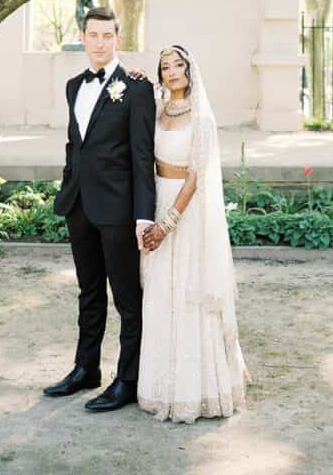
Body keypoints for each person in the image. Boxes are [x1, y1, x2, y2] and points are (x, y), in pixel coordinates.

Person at [43, 6, 156, 413]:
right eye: (93, 35)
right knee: (88, 292)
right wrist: (69, 183)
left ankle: (127, 379)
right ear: (84, 36)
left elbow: (143, 157)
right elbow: (76, 145)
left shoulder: (137, 88)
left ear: (117, 39)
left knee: (127, 298)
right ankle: (85, 368)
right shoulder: (74, 85)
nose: (100, 42)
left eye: (107, 35)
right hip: (80, 205)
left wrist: (144, 216)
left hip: (119, 210)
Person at [137, 45, 249, 423]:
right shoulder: (157, 109)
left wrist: (168, 223)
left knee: (189, 291)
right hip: (157, 200)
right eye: (165, 66)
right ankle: (160, 386)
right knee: (159, 291)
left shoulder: (201, 118)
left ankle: (199, 389)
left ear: (189, 69)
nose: (172, 72)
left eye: (178, 65)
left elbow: (196, 175)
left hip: (187, 211)